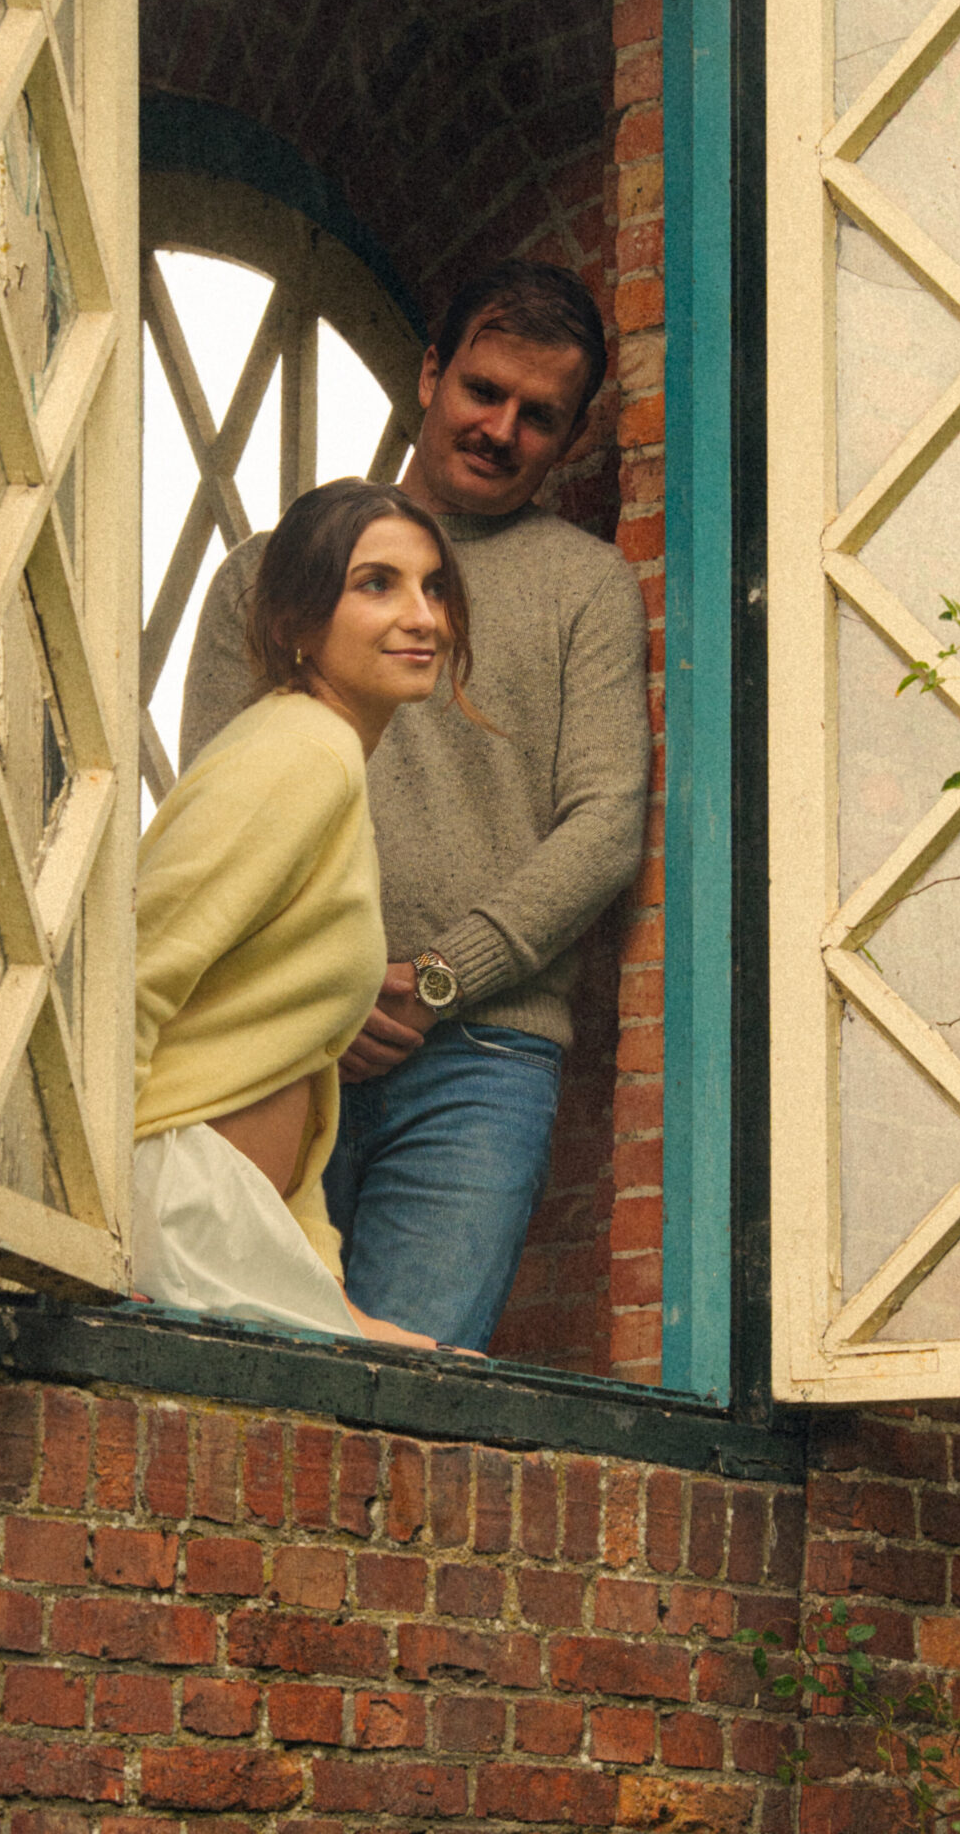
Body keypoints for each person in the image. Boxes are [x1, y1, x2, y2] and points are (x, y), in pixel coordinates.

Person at [180, 259, 650, 1351]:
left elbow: (602, 825)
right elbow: (212, 817)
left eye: (539, 415)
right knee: (231, 1365)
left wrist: (438, 982)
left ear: (571, 435)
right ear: (430, 373)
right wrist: (320, 992)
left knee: (413, 1398)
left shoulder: (584, 587)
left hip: (483, 1059)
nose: (501, 428)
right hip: (279, 1036)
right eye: (482, 390)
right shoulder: (266, 576)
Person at [134, 478, 483, 1350]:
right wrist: (91, 1218)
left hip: (233, 1227)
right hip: (180, 1215)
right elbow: (126, 977)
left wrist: (335, 1297)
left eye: (433, 586)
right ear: (295, 623)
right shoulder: (299, 753)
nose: (424, 618)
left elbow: (295, 1075)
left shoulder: (323, 754)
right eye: (377, 584)